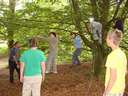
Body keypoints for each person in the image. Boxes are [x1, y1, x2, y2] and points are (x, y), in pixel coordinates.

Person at [103, 29, 127, 96]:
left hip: (112, 91)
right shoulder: (122, 54)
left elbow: (113, 77)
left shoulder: (111, 56)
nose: (106, 39)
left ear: (111, 39)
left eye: (107, 37)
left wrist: (106, 92)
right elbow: (125, 72)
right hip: (120, 89)